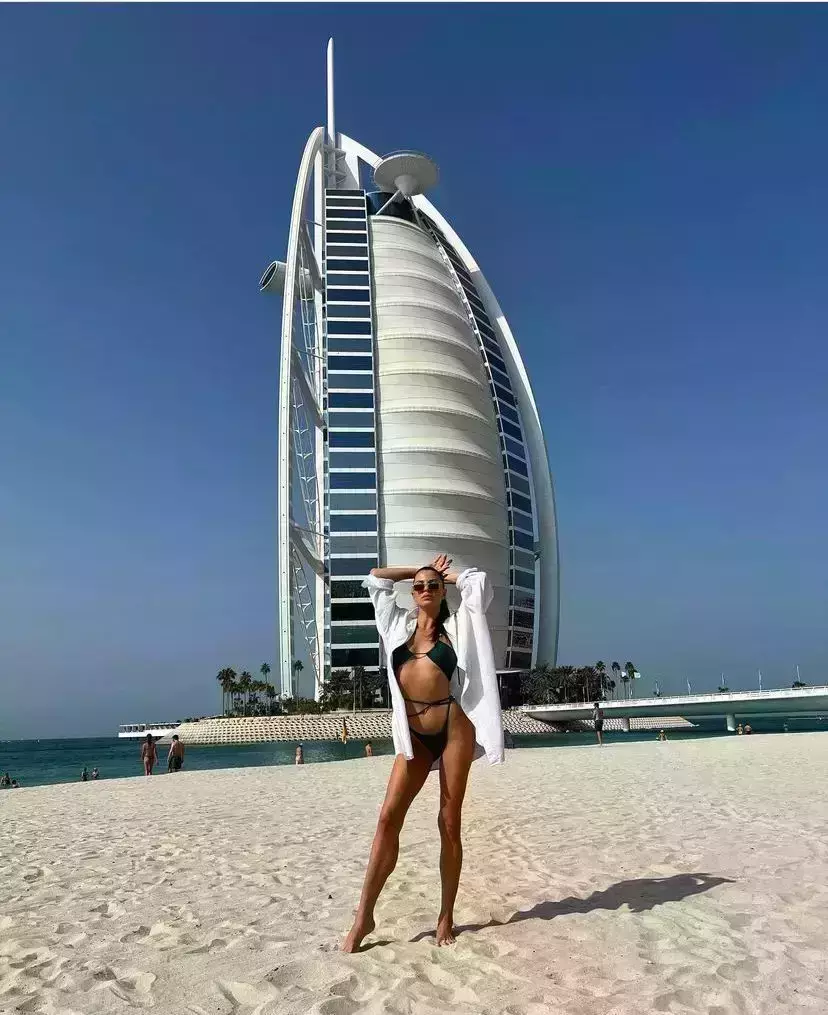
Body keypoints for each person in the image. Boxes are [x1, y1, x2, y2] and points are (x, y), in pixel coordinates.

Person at [342, 554, 503, 952]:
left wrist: (447, 576)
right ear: (412, 593)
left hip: (453, 728)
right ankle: (364, 916)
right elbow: (376, 578)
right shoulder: (396, 625)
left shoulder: (458, 627)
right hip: (412, 734)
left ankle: (445, 916)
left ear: (443, 592)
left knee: (448, 821)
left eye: (433, 586)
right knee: (387, 818)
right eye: (419, 586)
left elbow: (478, 583)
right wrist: (417, 570)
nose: (426, 589)